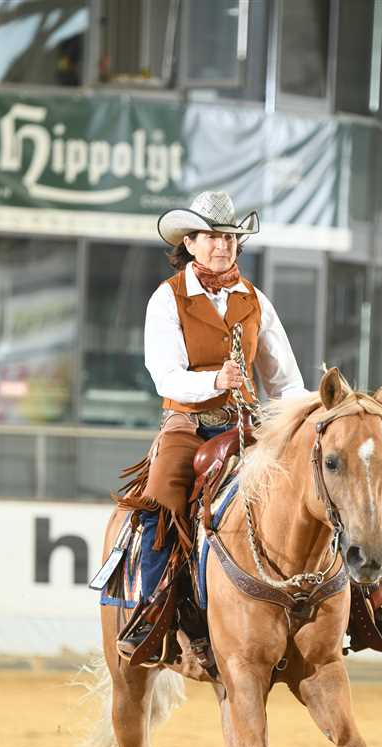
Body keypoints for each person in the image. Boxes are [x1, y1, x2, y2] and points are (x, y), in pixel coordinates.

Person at [116, 191, 307, 654]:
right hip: (188, 423)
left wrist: (308, 415)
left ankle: (360, 598)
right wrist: (215, 381)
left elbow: (284, 380)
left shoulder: (254, 299)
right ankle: (153, 611)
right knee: (162, 496)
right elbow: (165, 376)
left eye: (229, 238)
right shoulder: (168, 298)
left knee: (319, 482)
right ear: (190, 243)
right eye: (211, 236)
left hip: (248, 425)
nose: (222, 245)